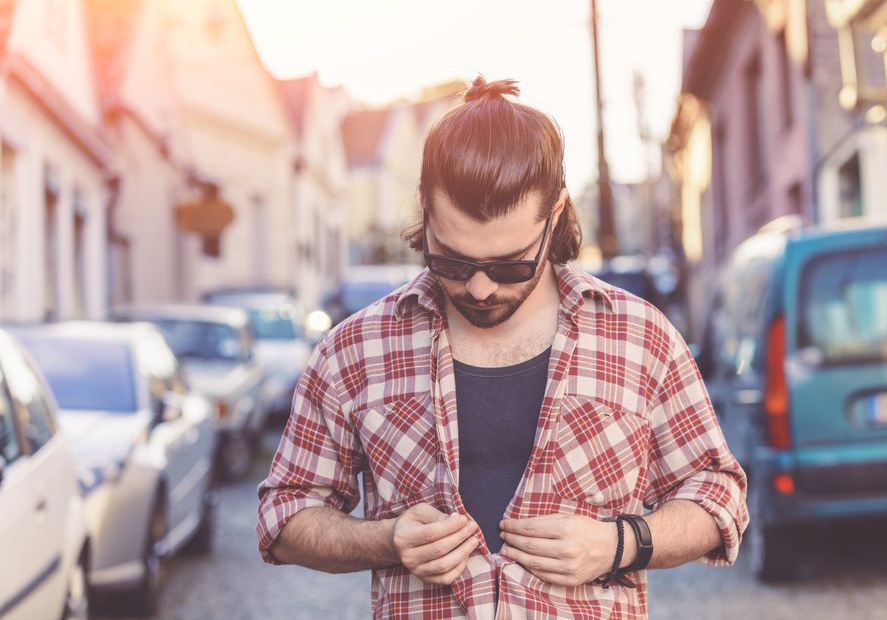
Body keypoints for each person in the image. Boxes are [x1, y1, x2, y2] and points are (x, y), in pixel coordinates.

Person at [257, 76, 748, 618]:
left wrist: (619, 545)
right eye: (453, 260)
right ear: (424, 207)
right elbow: (284, 516)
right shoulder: (352, 350)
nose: (481, 288)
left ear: (556, 213)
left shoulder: (641, 337)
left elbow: (719, 498)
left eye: (510, 264)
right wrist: (386, 540)